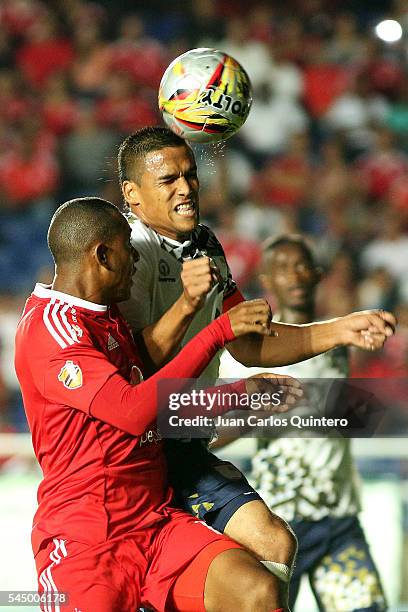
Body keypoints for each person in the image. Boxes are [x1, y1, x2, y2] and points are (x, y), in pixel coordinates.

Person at [117, 126, 395, 606]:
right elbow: (133, 376)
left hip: (186, 442)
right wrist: (190, 306)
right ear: (132, 194)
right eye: (168, 180)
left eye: (190, 175)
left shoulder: (204, 243)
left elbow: (247, 345)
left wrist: (340, 328)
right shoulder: (127, 253)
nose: (186, 188)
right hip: (135, 452)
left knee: (274, 543)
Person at [15, 196, 301, 612]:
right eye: (128, 246)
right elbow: (132, 412)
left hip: (156, 524)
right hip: (86, 539)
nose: (135, 257)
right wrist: (217, 332)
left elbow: (157, 401)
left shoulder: (107, 318)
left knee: (256, 591)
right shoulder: (50, 328)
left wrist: (238, 394)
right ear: (103, 255)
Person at [219, 235, 387, 611]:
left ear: (317, 275)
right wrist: (254, 415)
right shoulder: (250, 354)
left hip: (338, 520)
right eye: (282, 268)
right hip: (280, 523)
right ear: (267, 280)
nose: (293, 276)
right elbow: (204, 436)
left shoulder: (338, 338)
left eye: (301, 267)